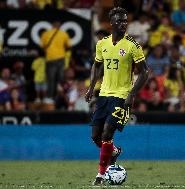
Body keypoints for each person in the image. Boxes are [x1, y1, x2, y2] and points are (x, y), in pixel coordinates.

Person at [85, 6, 149, 185]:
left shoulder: (132, 45)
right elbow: (97, 66)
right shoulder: (102, 44)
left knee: (107, 133)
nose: (123, 23)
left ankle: (101, 175)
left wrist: (132, 93)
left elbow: (145, 72)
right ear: (111, 22)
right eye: (120, 20)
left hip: (122, 96)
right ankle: (113, 151)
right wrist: (91, 88)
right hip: (104, 94)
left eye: (125, 20)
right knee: (95, 136)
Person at [40, 21, 71, 104]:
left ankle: (50, 97)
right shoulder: (64, 34)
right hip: (61, 58)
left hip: (50, 59)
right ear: (59, 26)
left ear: (52, 25)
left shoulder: (46, 34)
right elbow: (68, 46)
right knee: (60, 79)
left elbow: (42, 46)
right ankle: (62, 96)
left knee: (51, 79)